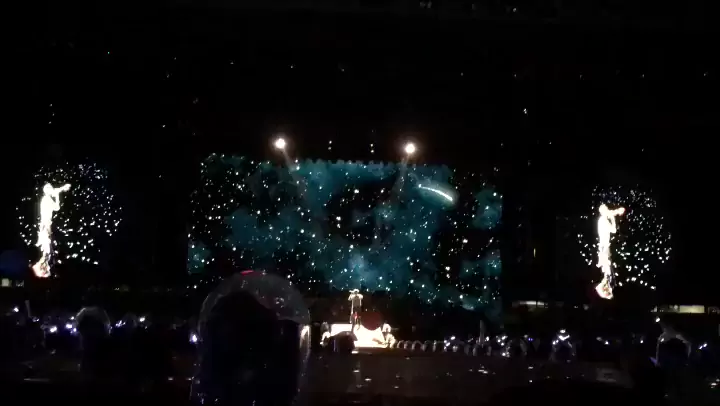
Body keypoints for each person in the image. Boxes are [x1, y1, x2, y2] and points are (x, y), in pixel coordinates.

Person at [32, 183, 71, 278]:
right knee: (47, 248)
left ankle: (43, 268)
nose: (51, 189)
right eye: (49, 188)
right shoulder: (45, 199)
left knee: (48, 249)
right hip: (45, 225)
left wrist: (57, 194)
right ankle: (41, 269)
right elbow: (55, 192)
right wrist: (61, 189)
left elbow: (57, 208)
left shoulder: (48, 199)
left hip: (47, 225)